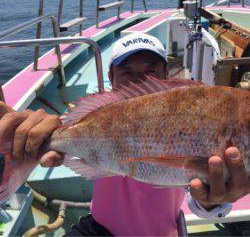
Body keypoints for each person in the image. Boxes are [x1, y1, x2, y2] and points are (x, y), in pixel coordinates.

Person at [0, 33, 249, 236]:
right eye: (127, 73)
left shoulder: (191, 111)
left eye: (150, 71)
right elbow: (66, 138)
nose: (139, 81)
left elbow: (199, 202)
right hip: (98, 231)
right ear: (111, 78)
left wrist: (213, 202)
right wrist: (38, 139)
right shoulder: (95, 114)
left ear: (165, 75)